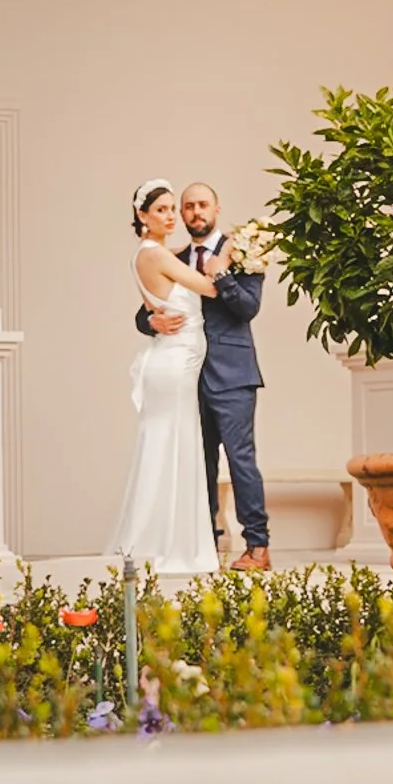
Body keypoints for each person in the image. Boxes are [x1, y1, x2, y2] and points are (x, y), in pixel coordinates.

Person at [137, 178, 270, 572]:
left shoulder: (244, 253)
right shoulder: (171, 256)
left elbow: (248, 308)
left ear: (217, 210)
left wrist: (222, 274)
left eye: (203, 205)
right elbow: (146, 310)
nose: (195, 212)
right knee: (199, 462)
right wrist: (151, 322)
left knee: (241, 460)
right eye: (189, 206)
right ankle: (204, 544)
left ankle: (257, 547)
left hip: (233, 375)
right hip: (185, 377)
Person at [107, 181, 225, 577]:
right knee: (170, 446)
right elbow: (208, 287)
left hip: (173, 362)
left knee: (169, 446)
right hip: (173, 365)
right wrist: (224, 260)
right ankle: (158, 544)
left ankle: (161, 539)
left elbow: (158, 302)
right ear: (142, 215)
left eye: (174, 208)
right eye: (162, 209)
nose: (172, 216)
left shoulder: (151, 255)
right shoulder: (156, 254)